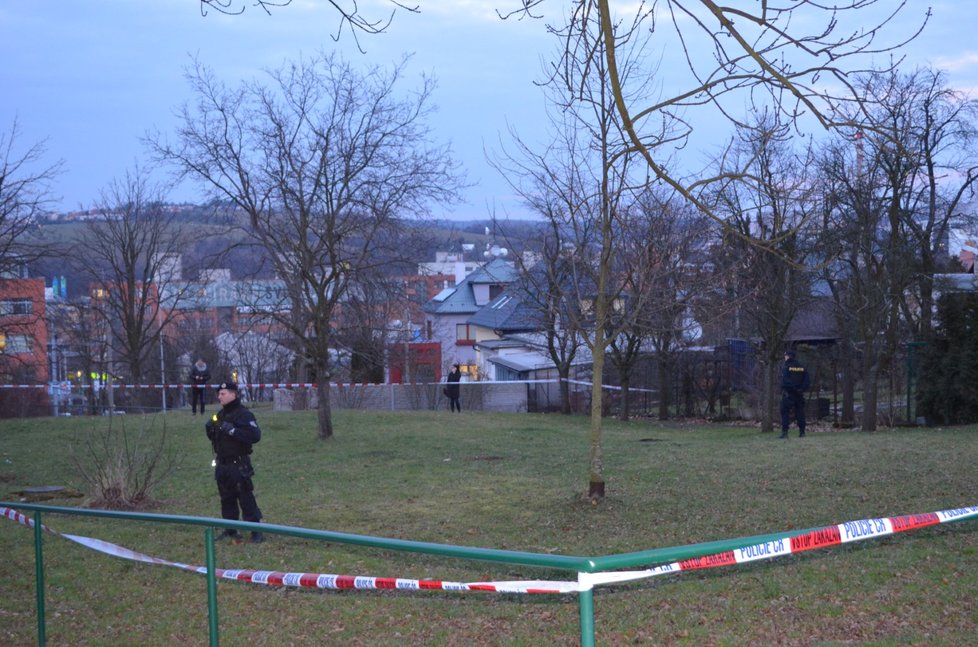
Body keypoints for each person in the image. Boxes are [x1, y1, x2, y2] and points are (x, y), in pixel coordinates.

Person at [205, 380, 264, 543]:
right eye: (219, 394)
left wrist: (232, 430)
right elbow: (213, 429)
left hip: (238, 464)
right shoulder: (221, 414)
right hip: (222, 464)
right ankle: (230, 530)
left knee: (245, 497)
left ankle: (256, 531)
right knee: (226, 498)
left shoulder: (243, 414)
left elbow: (255, 435)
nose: (219, 397)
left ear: (233, 394)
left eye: (223, 394)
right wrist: (210, 429)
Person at [779, 350, 811, 438]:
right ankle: (802, 432)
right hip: (799, 394)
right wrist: (801, 389)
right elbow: (807, 381)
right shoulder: (802, 367)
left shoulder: (786, 367)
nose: (784, 358)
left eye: (785, 356)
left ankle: (785, 433)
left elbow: (786, 381)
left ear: (788, 356)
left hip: (789, 394)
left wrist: (794, 389)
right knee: (800, 413)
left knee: (785, 412)